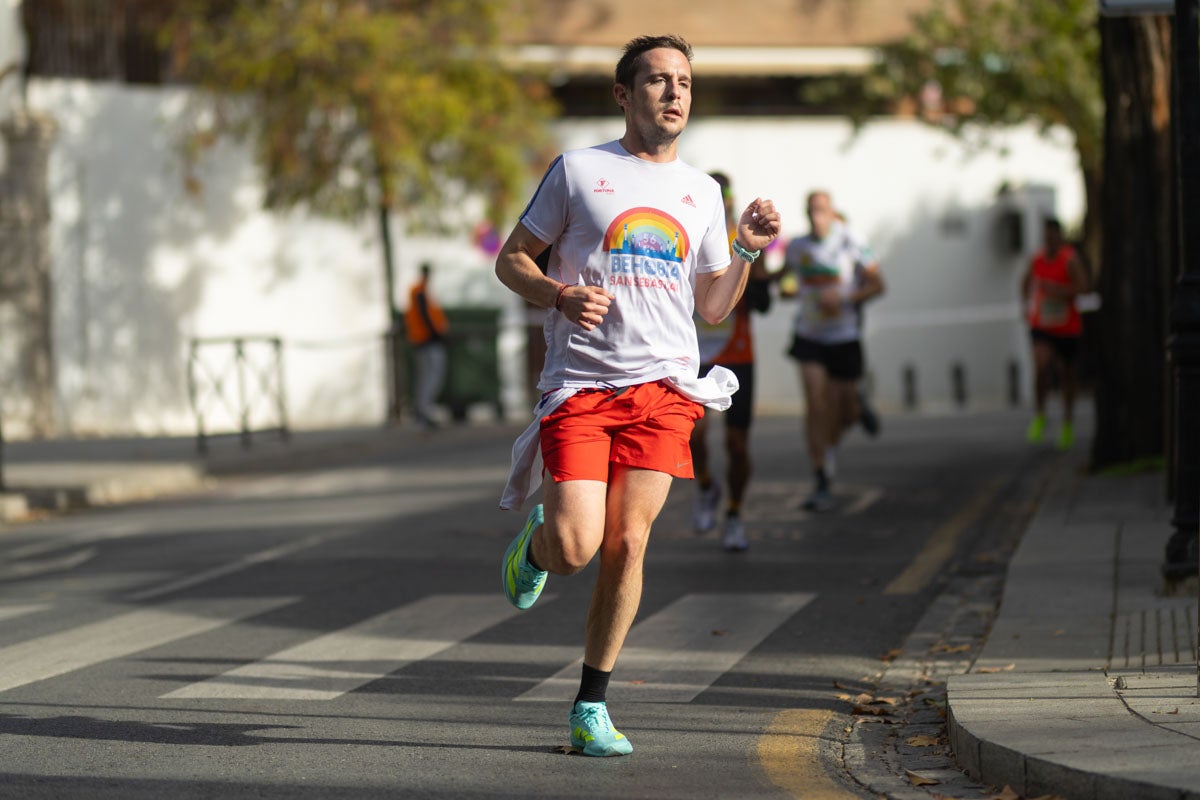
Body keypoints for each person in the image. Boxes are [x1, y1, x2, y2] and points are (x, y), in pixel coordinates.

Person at [493, 34, 781, 757]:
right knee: (577, 545)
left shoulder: (703, 192)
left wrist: (744, 248)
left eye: (682, 81)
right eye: (656, 81)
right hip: (584, 385)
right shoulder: (580, 171)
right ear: (625, 95)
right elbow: (512, 260)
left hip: (666, 388)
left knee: (628, 543)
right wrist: (558, 295)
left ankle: (591, 706)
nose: (673, 93)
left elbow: (713, 306)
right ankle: (536, 547)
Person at [781, 190, 884, 511]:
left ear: (832, 212)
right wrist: (783, 286)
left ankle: (855, 408)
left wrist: (843, 299)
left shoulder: (850, 240)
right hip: (809, 335)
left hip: (844, 335)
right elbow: (785, 280)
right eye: (811, 212)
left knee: (845, 413)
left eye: (822, 211)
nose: (817, 218)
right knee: (815, 401)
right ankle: (821, 475)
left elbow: (877, 284)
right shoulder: (798, 247)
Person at [690, 171, 773, 552]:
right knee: (693, 437)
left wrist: (752, 263)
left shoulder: (741, 238)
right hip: (693, 352)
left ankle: (735, 514)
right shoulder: (685, 232)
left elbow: (763, 302)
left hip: (737, 353)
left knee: (737, 445)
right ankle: (707, 487)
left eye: (724, 199)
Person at [1021, 217, 1089, 450]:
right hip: (1042, 324)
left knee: (1066, 374)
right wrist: (1025, 307)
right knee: (1041, 364)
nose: (1049, 239)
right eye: (1045, 235)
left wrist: (1060, 291)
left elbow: (1083, 288)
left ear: (1059, 236)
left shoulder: (1069, 259)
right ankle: (1040, 415)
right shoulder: (1037, 260)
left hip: (1067, 327)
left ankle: (1067, 424)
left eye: (1053, 235)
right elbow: (1024, 282)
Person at [405, 263, 449, 429]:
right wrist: (437, 334)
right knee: (431, 377)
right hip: (427, 341)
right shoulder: (419, 291)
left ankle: (423, 411)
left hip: (423, 341)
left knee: (425, 378)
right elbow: (425, 316)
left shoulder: (420, 290)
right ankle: (424, 412)